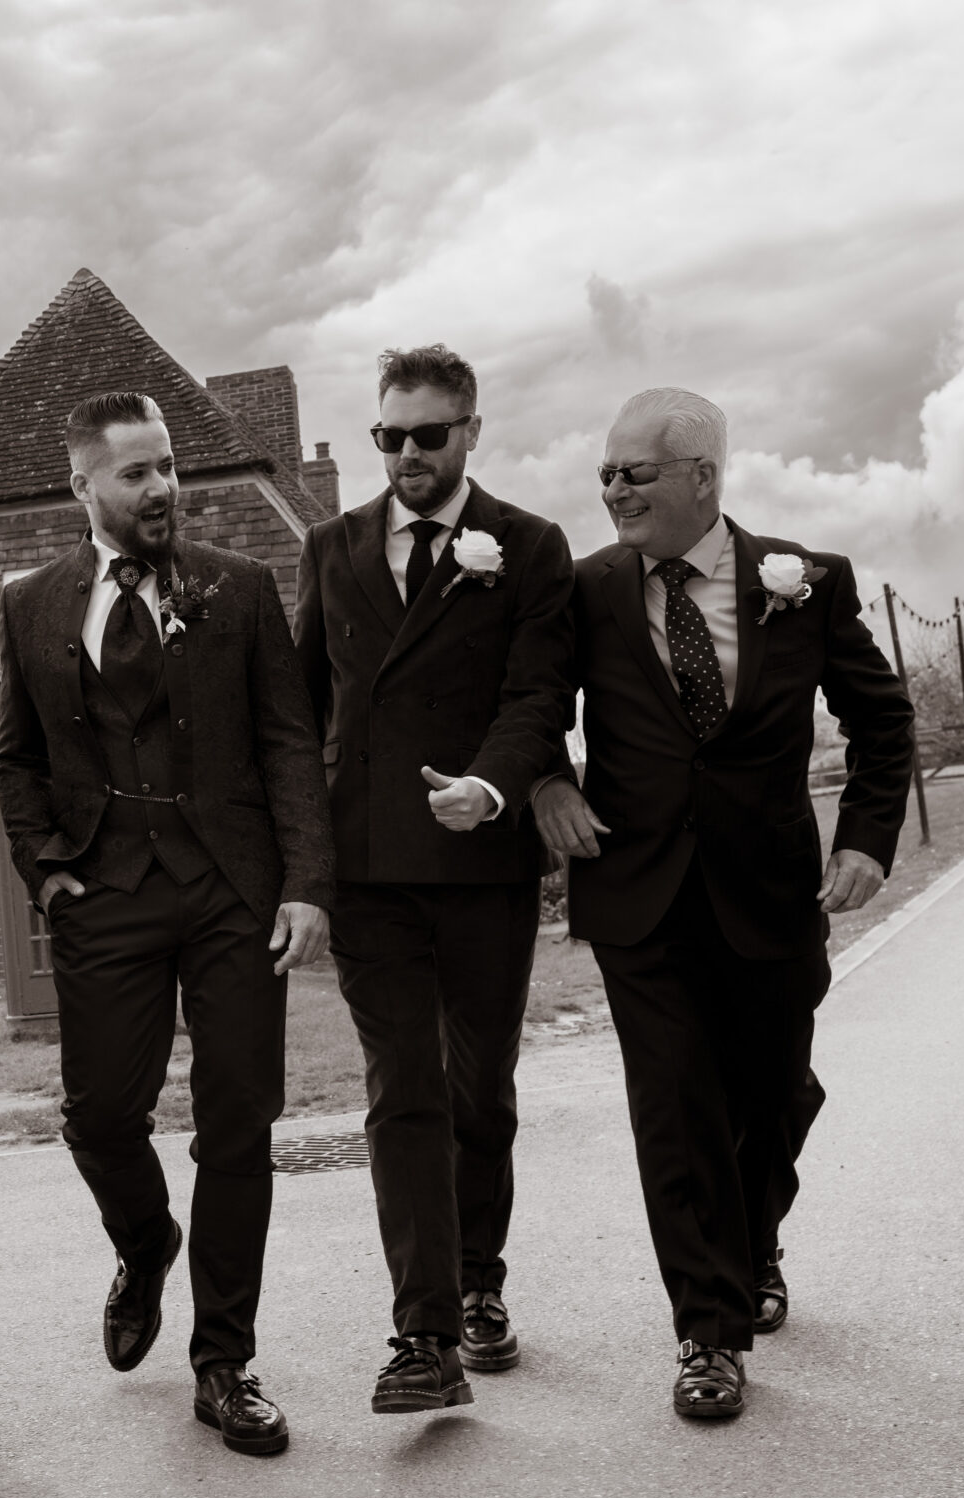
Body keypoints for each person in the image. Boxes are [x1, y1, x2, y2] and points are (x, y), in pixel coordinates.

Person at [535, 388, 915, 1418]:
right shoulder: (584, 590)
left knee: (775, 1094)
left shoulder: (806, 582)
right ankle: (708, 1332)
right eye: (605, 474)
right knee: (675, 1106)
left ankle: (752, 1244)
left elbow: (882, 721)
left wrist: (866, 840)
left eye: (634, 473)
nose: (613, 491)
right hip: (638, 895)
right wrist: (546, 781)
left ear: (702, 476)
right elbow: (530, 704)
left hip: (770, 890)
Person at [0, 391, 334, 1455]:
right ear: (83, 485)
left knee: (238, 1121)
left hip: (231, 888)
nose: (161, 489)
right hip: (105, 891)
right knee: (99, 1116)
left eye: (168, 467)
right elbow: (16, 757)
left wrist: (306, 882)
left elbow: (288, 740)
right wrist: (47, 869)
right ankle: (145, 1243)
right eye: (136, 472)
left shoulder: (238, 586)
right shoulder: (32, 603)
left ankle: (223, 1360)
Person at [293, 344, 575, 1410]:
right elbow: (302, 711)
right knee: (401, 1089)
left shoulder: (529, 546)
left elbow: (538, 696)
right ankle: (424, 1336)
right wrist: (304, 863)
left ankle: (479, 1280)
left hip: (483, 862)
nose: (406, 453)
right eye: (390, 435)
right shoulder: (330, 546)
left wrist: (493, 787)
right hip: (370, 868)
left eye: (427, 434)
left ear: (470, 432)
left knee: (477, 1089)